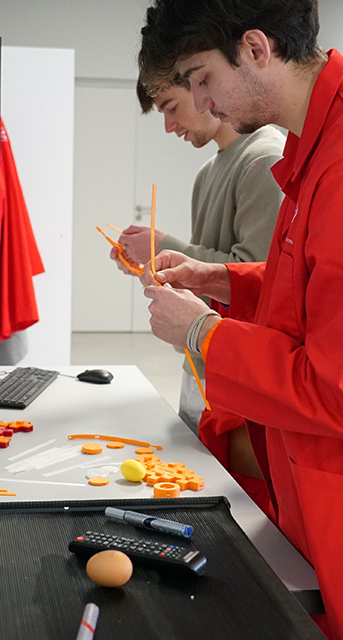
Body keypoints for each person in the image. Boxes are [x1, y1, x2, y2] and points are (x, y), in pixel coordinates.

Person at [138, 1, 343, 638]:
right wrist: (222, 279)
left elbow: (332, 388)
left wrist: (203, 333)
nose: (202, 102)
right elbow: (306, 293)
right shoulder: (312, 147)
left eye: (202, 78)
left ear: (256, 48)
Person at [111, 77, 284, 511]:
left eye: (172, 106)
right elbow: (214, 270)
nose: (169, 126)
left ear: (201, 84)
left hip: (237, 372)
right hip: (201, 363)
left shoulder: (264, 158)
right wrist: (157, 265)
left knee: (237, 512)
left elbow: (261, 276)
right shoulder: (210, 170)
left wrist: (166, 245)